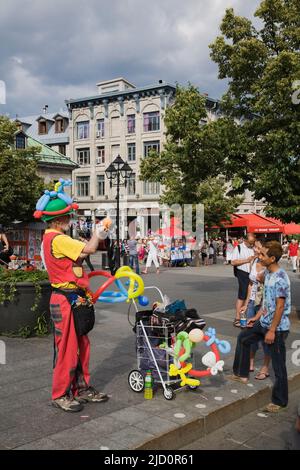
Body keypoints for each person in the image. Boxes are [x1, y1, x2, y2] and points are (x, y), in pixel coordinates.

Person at [34, 180, 110, 412]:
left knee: (81, 344)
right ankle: (61, 393)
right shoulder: (58, 238)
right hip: (64, 299)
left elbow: (78, 258)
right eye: (67, 217)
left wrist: (100, 235)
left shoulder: (53, 239)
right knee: (67, 348)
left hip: (72, 298)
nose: (70, 220)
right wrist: (98, 232)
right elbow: (88, 250)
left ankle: (80, 387)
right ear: (58, 219)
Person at [229, 241, 291, 413]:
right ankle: (241, 374)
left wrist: (272, 330)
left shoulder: (280, 278)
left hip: (277, 328)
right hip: (263, 322)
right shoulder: (268, 273)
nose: (259, 256)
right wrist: (255, 318)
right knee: (243, 338)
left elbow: (279, 306)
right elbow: (267, 302)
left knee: (279, 365)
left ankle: (280, 401)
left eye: (263, 254)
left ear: (272, 258)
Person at [240, 239, 271, 379]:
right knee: (250, 332)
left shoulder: (269, 265)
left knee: (265, 334)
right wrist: (246, 303)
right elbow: (250, 285)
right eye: (254, 248)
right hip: (253, 300)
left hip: (264, 302)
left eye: (258, 248)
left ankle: (265, 366)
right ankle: (251, 362)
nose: (255, 251)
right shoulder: (254, 263)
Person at [231, 233, 256, 327]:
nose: (252, 244)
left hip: (251, 274)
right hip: (242, 273)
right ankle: (237, 318)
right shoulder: (238, 248)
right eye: (250, 242)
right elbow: (233, 262)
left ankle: (245, 315)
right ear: (245, 240)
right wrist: (247, 260)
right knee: (242, 295)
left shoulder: (252, 248)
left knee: (249, 295)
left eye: (253, 242)